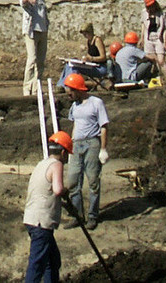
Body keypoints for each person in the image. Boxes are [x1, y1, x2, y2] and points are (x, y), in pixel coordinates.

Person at [23, 131, 72, 282]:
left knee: (52, 261)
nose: (67, 158)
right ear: (63, 152)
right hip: (41, 223)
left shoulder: (41, 164)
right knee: (37, 266)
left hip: (31, 218)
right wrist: (66, 191)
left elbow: (45, 191)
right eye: (67, 154)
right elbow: (57, 189)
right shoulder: (56, 165)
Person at [63, 73, 109, 231]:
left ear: (78, 89)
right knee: (73, 181)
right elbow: (75, 125)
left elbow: (103, 127)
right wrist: (71, 143)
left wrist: (103, 149)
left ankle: (92, 216)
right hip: (77, 144)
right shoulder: (74, 106)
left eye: (70, 92)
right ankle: (78, 215)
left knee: (93, 181)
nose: (68, 95)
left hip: (92, 144)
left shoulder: (96, 103)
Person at [55, 22, 108, 90]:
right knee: (69, 65)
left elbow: (103, 57)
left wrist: (91, 58)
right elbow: (90, 54)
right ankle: (60, 85)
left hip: (100, 68)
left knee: (74, 68)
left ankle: (70, 86)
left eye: (86, 33)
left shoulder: (97, 40)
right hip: (93, 65)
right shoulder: (89, 41)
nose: (85, 35)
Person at [139, 0, 166, 88]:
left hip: (158, 38)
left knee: (161, 60)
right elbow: (143, 26)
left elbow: (164, 28)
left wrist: (165, 41)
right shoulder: (144, 13)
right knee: (153, 60)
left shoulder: (161, 14)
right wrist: (141, 38)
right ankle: (157, 81)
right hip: (148, 39)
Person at [20, 0, 49, 97]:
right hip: (31, 31)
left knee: (40, 61)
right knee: (32, 59)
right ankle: (27, 88)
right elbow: (23, 3)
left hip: (43, 31)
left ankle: (37, 88)